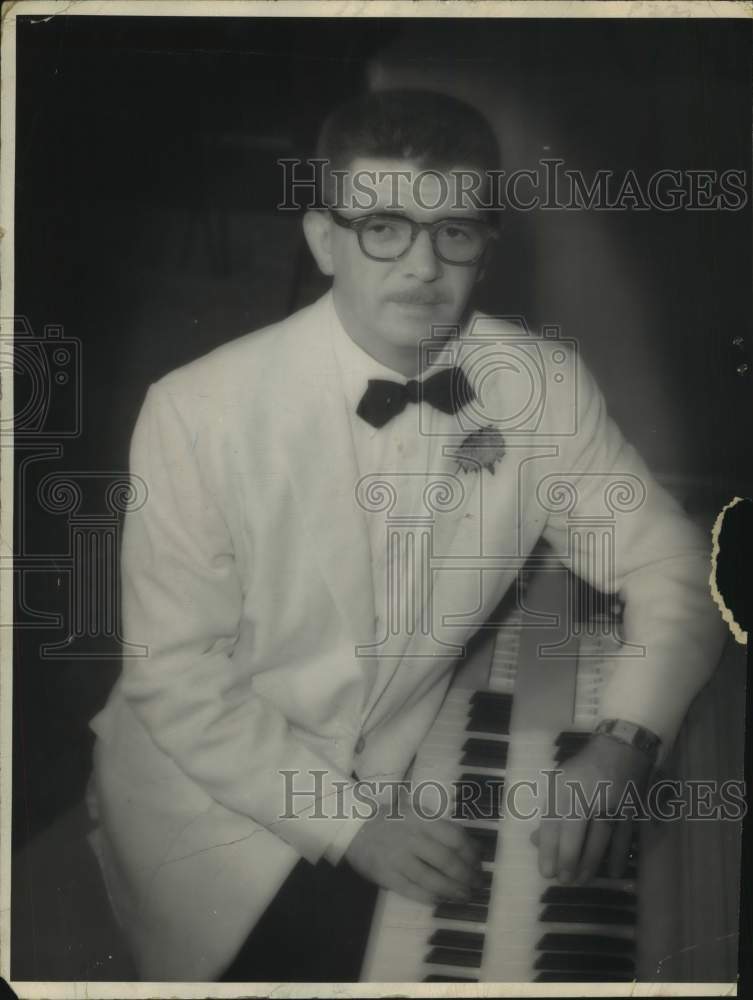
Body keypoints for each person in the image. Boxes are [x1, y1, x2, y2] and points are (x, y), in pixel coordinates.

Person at [86, 89, 725, 982]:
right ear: (322, 240)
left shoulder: (534, 382)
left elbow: (676, 563)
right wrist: (350, 825)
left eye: (454, 232)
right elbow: (174, 683)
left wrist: (625, 740)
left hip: (401, 758)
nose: (422, 266)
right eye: (383, 226)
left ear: (485, 245)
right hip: (210, 809)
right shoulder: (195, 412)